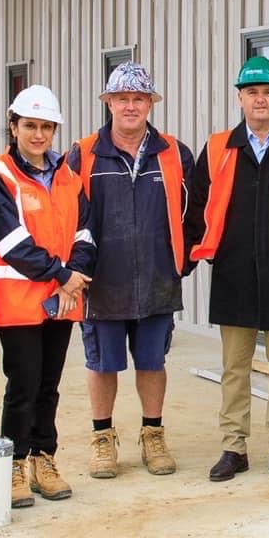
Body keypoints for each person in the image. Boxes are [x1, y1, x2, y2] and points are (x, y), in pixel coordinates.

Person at [183, 56, 269, 484]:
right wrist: (205, 255)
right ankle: (234, 448)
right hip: (233, 273)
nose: (260, 99)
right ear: (239, 97)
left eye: (268, 91)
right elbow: (196, 208)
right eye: (252, 92)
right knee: (234, 367)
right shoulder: (217, 147)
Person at [67, 61, 194, 481]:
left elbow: (193, 215)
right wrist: (73, 272)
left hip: (159, 278)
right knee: (102, 364)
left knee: (152, 362)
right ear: (108, 103)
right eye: (122, 98)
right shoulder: (83, 153)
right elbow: (67, 216)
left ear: (150, 104)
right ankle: (103, 438)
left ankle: (152, 434)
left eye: (138, 98)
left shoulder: (175, 153)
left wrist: (184, 260)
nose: (130, 106)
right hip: (101, 283)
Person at [0, 85, 95, 510]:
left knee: (48, 386)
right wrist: (64, 274)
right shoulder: (1, 175)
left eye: (46, 127)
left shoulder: (69, 176)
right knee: (24, 385)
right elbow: (12, 241)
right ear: (13, 126)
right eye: (30, 125)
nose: (38, 134)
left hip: (62, 299)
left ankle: (43, 460)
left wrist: (76, 274)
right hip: (19, 303)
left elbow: (85, 231)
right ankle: (14, 465)